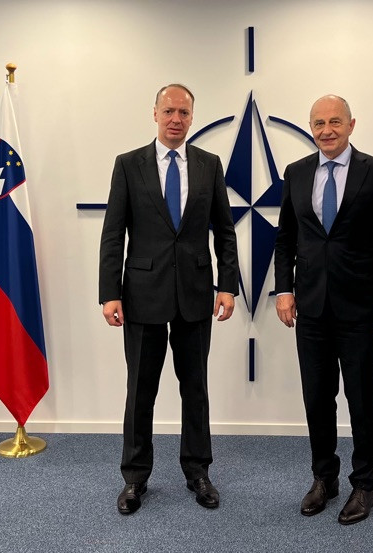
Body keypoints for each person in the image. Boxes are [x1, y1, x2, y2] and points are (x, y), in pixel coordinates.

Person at [99, 84, 239, 515]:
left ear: (192, 117)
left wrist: (228, 285)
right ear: (154, 114)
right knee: (140, 391)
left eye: (183, 112)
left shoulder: (209, 165)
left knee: (195, 389)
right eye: (168, 111)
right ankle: (135, 478)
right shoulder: (128, 165)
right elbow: (113, 233)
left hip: (196, 295)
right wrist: (109, 294)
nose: (176, 118)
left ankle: (198, 471)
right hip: (141, 296)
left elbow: (225, 231)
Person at [274, 94, 373, 525]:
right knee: (317, 397)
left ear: (352, 124)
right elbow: (285, 240)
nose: (326, 130)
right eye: (318, 123)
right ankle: (324, 478)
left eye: (335, 121)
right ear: (310, 127)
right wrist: (283, 290)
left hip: (360, 308)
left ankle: (364, 483)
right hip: (310, 307)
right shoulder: (296, 173)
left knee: (360, 396)